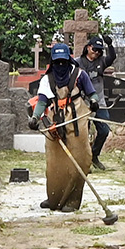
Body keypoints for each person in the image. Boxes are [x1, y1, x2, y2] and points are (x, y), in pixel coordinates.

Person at [29, 43, 99, 212]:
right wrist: (35, 117)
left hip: (77, 119)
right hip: (56, 121)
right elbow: (43, 100)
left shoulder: (79, 74)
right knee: (55, 161)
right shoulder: (47, 79)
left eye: (63, 61)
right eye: (57, 62)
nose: (60, 65)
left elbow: (91, 92)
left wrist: (94, 101)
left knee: (80, 159)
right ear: (53, 62)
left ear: (68, 59)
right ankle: (55, 197)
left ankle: (72, 201)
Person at [77, 35, 117, 170]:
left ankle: (94, 155)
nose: (96, 52)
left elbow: (112, 58)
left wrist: (110, 45)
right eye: (94, 49)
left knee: (104, 130)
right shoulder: (78, 63)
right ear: (88, 47)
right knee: (83, 132)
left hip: (99, 101)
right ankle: (84, 160)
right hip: (83, 103)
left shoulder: (102, 62)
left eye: (99, 50)